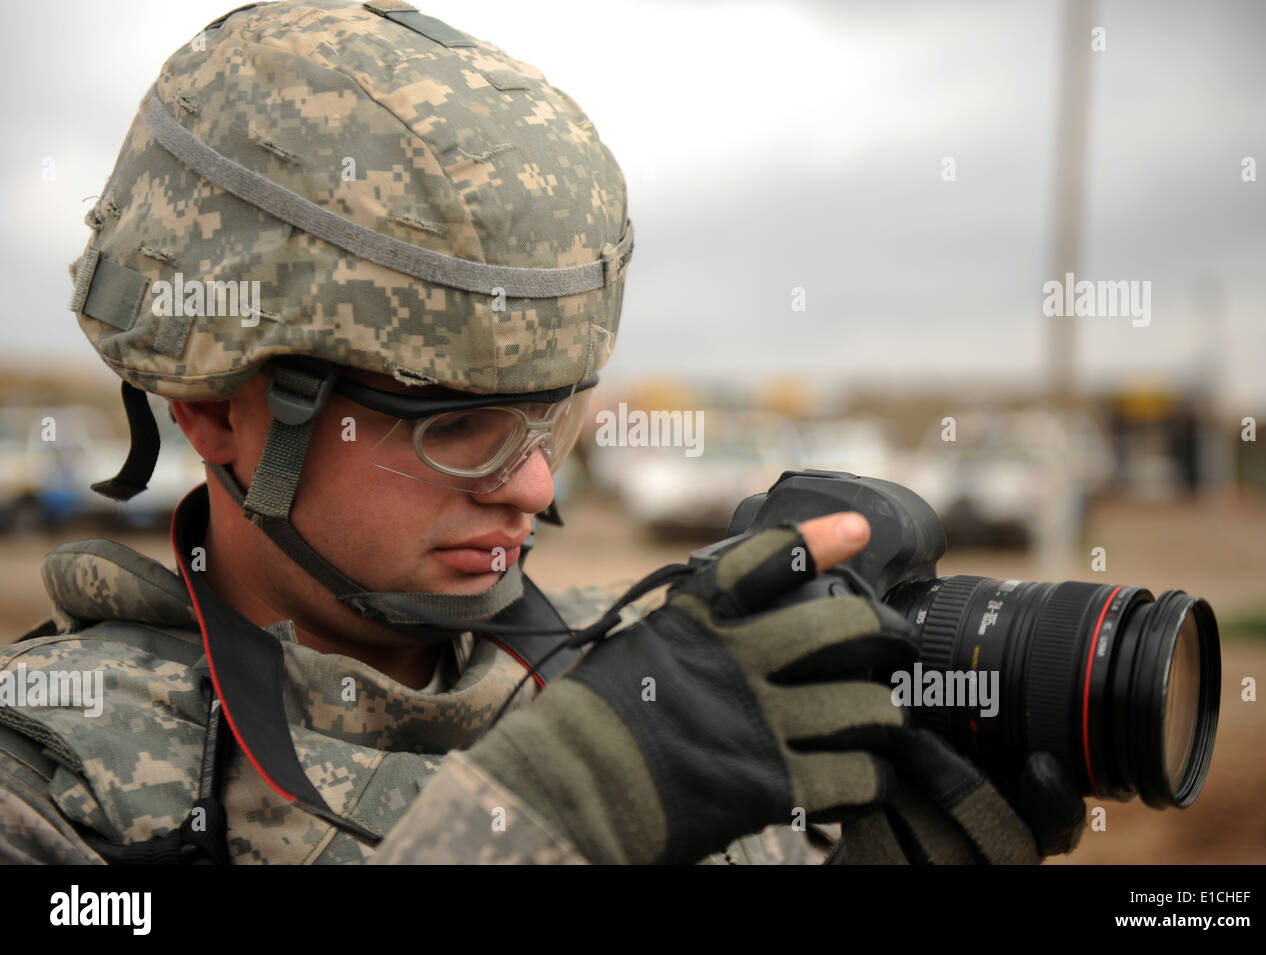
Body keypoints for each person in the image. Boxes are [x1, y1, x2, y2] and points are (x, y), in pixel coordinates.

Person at [0, 0, 1083, 865]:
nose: (528, 486)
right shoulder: (47, 775)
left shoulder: (658, 684)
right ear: (217, 408)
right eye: (455, 425)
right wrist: (560, 813)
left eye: (553, 414)